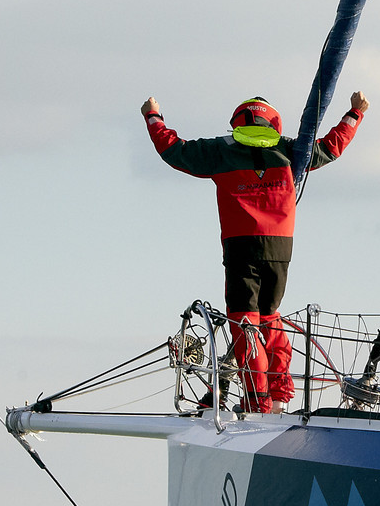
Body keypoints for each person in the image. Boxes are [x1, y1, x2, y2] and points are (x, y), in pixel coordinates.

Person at [141, 92, 368, 412]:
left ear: (238, 122)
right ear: (273, 123)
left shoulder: (221, 149)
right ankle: (279, 395)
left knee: (244, 322)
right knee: (269, 316)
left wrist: (153, 116)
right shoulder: (291, 149)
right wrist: (354, 114)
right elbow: (330, 148)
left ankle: (257, 400)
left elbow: (173, 150)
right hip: (280, 248)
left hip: (241, 246)